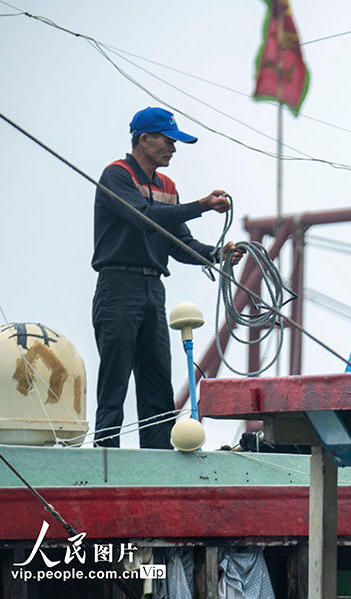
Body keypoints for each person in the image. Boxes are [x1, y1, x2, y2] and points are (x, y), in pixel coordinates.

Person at [91, 106, 243, 449]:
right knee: (115, 378)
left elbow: (179, 244)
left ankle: (156, 458)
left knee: (157, 379)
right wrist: (202, 205)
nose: (173, 149)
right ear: (144, 140)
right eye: (168, 141)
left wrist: (217, 255)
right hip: (118, 286)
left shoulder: (167, 186)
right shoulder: (116, 175)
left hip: (152, 290)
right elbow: (145, 218)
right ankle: (105, 455)